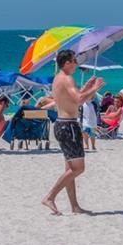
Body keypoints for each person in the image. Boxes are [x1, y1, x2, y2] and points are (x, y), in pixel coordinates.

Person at [42, 50, 104, 216]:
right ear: (67, 63)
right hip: (68, 126)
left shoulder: (58, 78)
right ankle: (50, 196)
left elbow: (71, 98)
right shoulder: (67, 78)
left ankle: (74, 206)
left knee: (69, 169)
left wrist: (87, 87)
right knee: (78, 168)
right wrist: (96, 88)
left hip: (61, 124)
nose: (77, 63)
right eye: (74, 60)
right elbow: (79, 100)